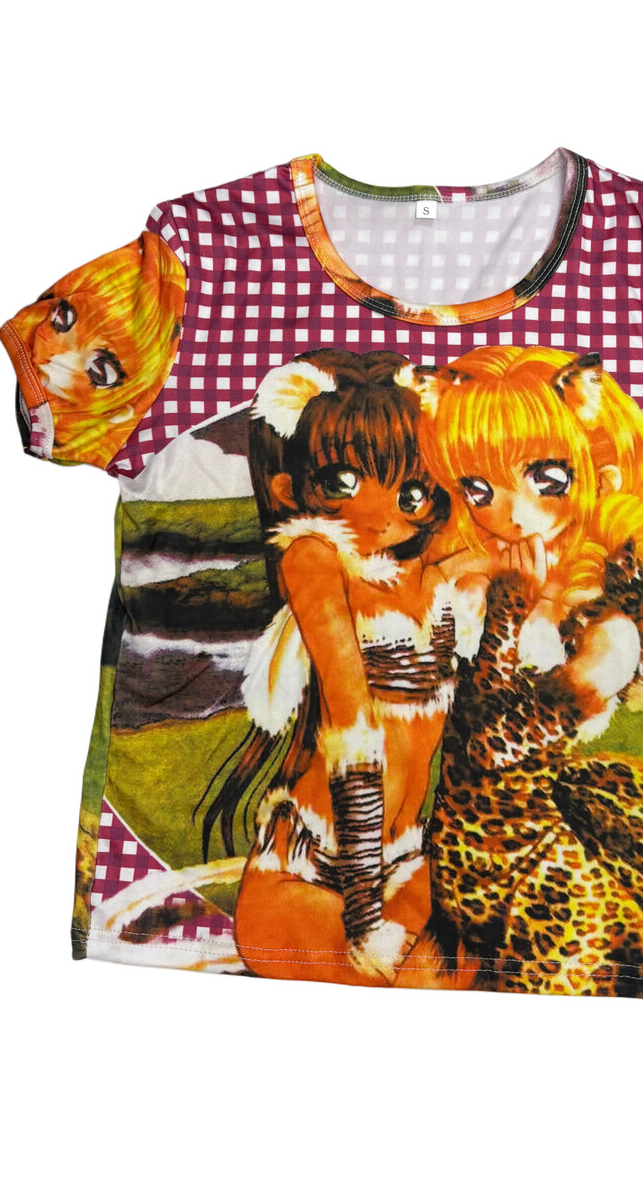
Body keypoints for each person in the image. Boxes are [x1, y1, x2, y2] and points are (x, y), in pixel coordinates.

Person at [403, 346, 643, 1000]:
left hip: (518, 853)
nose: (509, 513)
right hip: (465, 844)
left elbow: (498, 741)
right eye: (479, 489)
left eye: (545, 477)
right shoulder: (485, 566)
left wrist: (510, 612)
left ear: (597, 468)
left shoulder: (608, 625)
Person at [200, 349, 475, 987]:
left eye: (408, 489)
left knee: (475, 975)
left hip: (408, 858)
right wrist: (363, 914)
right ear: (289, 488)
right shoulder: (313, 557)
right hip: (312, 867)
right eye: (344, 482)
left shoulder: (433, 572)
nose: (380, 513)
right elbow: (353, 728)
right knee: (407, 984)